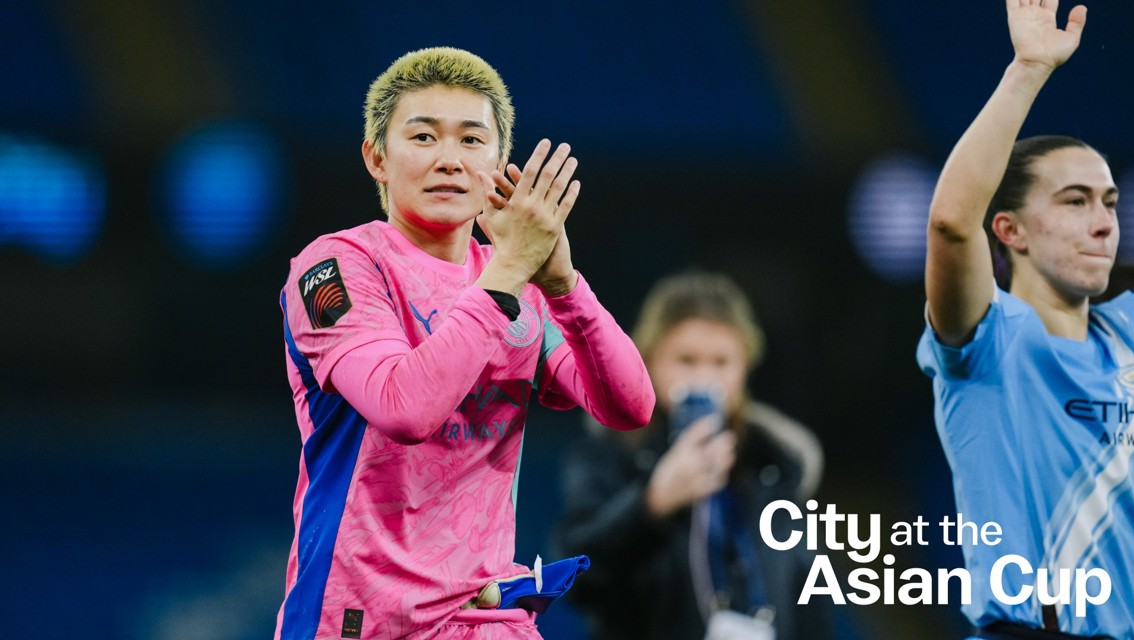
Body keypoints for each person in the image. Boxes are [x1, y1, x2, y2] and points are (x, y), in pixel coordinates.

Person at [274, 46, 654, 640]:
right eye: (423, 138)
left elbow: (629, 406)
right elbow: (405, 408)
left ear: (500, 162)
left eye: (472, 142)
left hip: (480, 616)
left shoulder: (524, 289)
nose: (449, 160)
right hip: (357, 621)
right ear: (377, 157)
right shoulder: (337, 267)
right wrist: (510, 271)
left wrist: (563, 285)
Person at [918, 2, 1134, 638]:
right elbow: (952, 222)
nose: (1103, 222)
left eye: (1110, 203)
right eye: (1075, 201)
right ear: (1009, 231)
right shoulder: (989, 341)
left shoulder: (1127, 335)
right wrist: (1029, 69)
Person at [553, 271, 830, 640]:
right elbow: (575, 580)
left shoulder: (777, 465)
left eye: (721, 362)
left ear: (746, 365)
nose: (704, 378)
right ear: (648, 360)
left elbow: (807, 596)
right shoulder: (609, 454)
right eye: (686, 360)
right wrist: (650, 505)